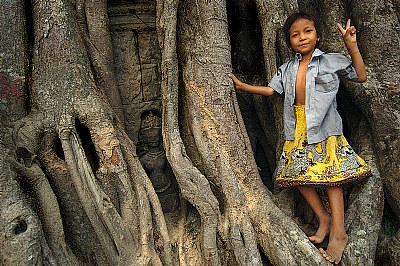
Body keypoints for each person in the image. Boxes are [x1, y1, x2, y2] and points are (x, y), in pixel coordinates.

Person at [228, 12, 371, 264]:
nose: (302, 37)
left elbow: (361, 76)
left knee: (331, 179)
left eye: (307, 31)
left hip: (325, 128)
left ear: (317, 35)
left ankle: (339, 233)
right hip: (296, 129)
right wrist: (243, 86)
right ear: (289, 41)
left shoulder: (330, 61)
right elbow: (272, 90)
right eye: (295, 34)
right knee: (296, 175)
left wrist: (352, 46)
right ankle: (323, 219)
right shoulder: (286, 68)